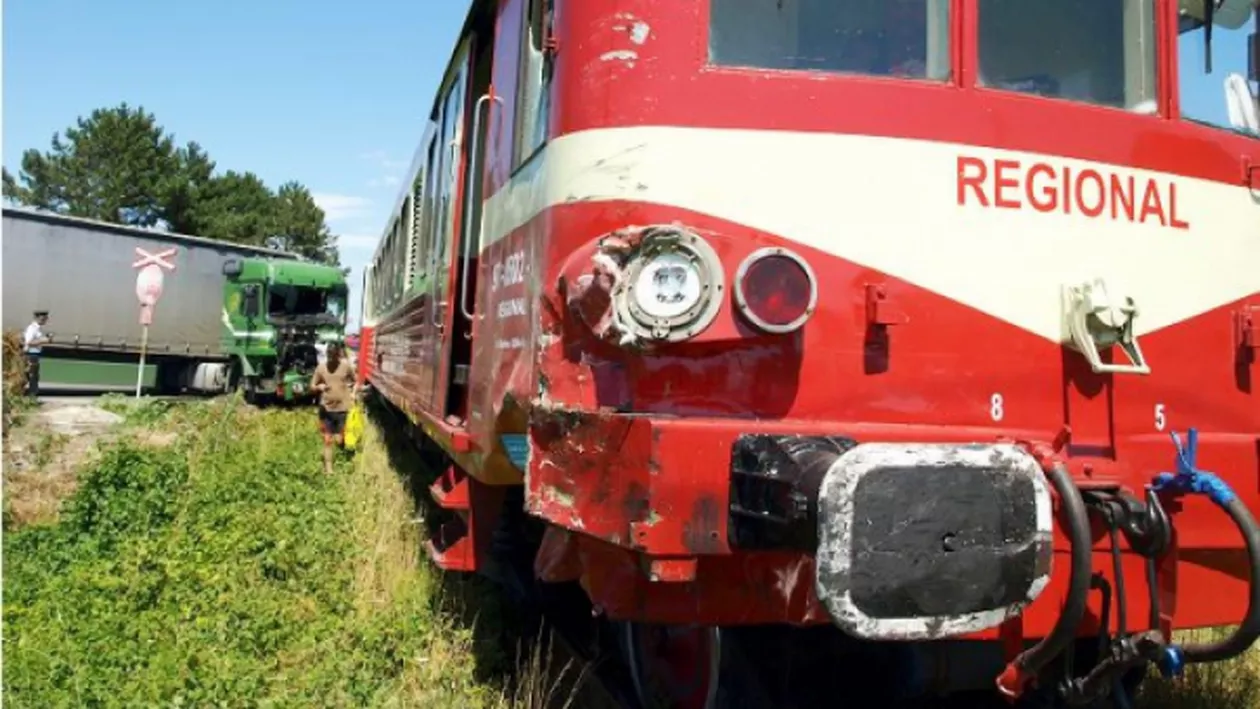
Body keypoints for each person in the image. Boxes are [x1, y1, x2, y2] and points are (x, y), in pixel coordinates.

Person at [310, 341, 356, 474]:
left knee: (339, 438)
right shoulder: (321, 368)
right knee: (327, 440)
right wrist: (319, 387)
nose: (331, 358)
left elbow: (355, 380)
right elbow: (312, 385)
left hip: (342, 409)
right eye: (329, 355)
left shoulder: (346, 366)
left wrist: (353, 393)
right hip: (326, 409)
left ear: (338, 354)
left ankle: (342, 448)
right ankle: (328, 470)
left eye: (333, 355)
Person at [22, 310, 50, 398]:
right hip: (31, 354)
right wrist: (43, 340)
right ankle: (31, 396)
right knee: (32, 376)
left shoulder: (38, 328)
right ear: (37, 318)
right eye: (44, 318)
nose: (46, 319)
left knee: (33, 376)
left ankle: (31, 395)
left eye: (46, 318)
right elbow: (29, 342)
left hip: (34, 355)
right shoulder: (32, 328)